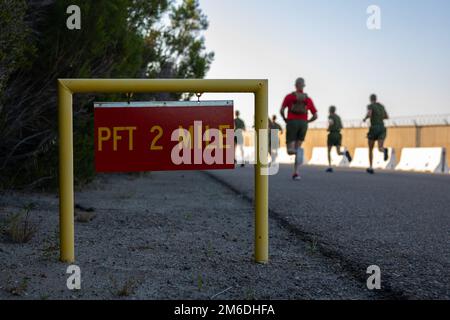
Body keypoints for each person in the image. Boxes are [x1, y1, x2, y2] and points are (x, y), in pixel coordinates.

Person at [280, 77, 318, 180]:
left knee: (290, 150)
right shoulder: (308, 99)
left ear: (295, 85)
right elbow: (315, 116)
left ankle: (297, 152)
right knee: (298, 146)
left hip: (292, 122)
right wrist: (307, 121)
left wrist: (285, 119)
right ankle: (296, 172)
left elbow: (282, 110)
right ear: (303, 86)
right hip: (303, 124)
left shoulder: (289, 97)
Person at [363, 94, 389, 174]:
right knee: (380, 147)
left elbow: (370, 114)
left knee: (371, 149)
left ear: (370, 99)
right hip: (382, 128)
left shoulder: (370, 106)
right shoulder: (381, 106)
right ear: (376, 99)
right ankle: (384, 150)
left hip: (374, 128)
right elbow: (386, 116)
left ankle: (371, 167)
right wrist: (379, 116)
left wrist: (365, 118)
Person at [326, 106, 352, 173]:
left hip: (332, 135)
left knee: (329, 151)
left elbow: (331, 123)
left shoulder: (330, 116)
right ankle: (345, 153)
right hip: (338, 135)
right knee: (338, 152)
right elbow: (341, 126)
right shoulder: (338, 117)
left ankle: (330, 166)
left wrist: (329, 128)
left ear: (330, 110)